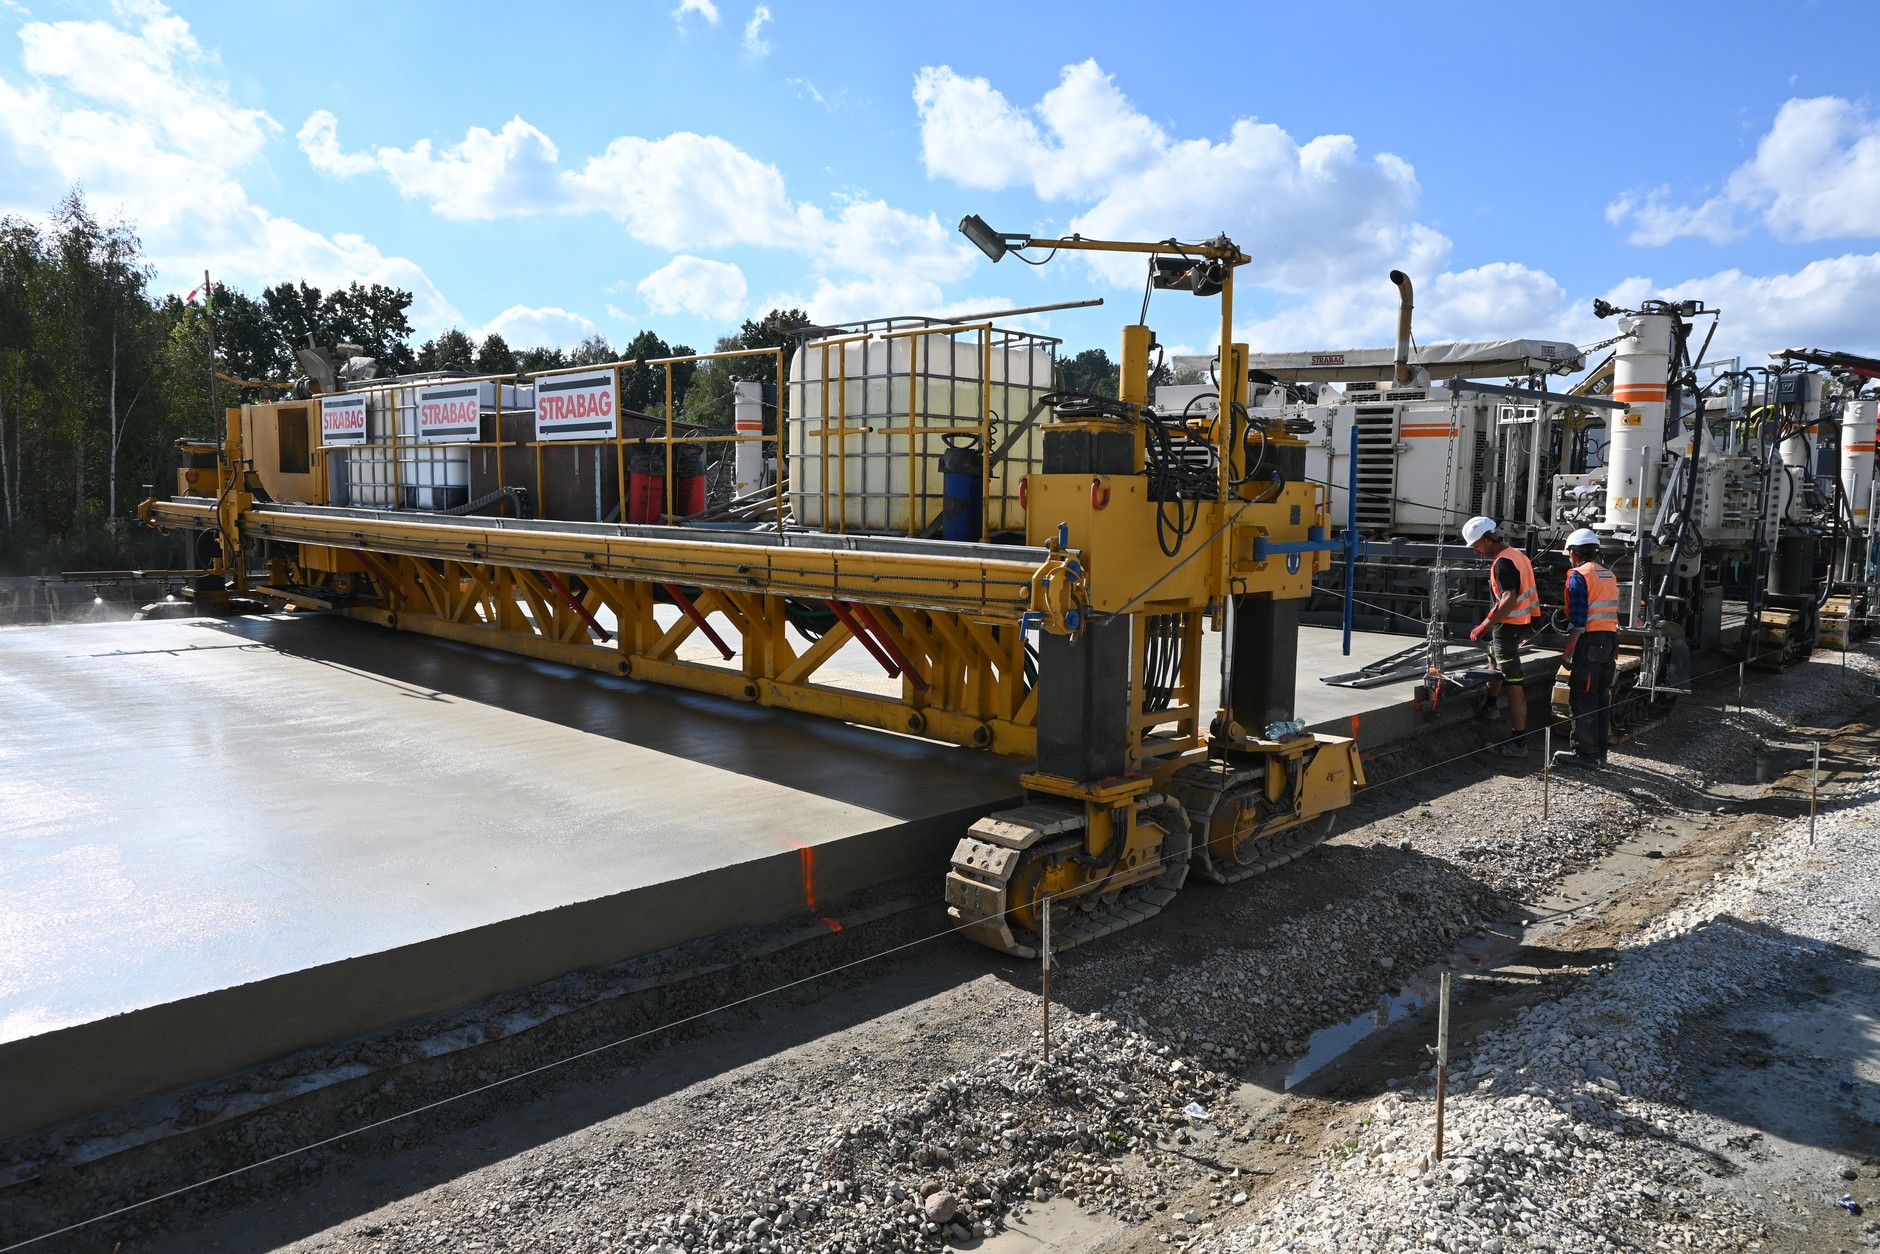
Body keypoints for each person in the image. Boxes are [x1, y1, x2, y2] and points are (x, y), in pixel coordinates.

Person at [1462, 515, 1536, 758]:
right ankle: (1491, 707)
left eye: (1476, 545)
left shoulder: (1502, 563)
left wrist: (1483, 625)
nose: (1475, 551)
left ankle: (1518, 742)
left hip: (1508, 626)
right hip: (1521, 624)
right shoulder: (1518, 555)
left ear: (1487, 539)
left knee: (1513, 683)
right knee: (1493, 657)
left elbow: (1508, 599)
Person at [1553, 528, 1620, 769]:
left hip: (1590, 643)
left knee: (1582, 697)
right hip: (1609, 641)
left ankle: (1585, 754)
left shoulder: (1578, 575)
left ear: (1573, 553)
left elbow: (1580, 619)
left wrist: (1569, 648)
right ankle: (1599, 754)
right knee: (1601, 697)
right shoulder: (1607, 575)